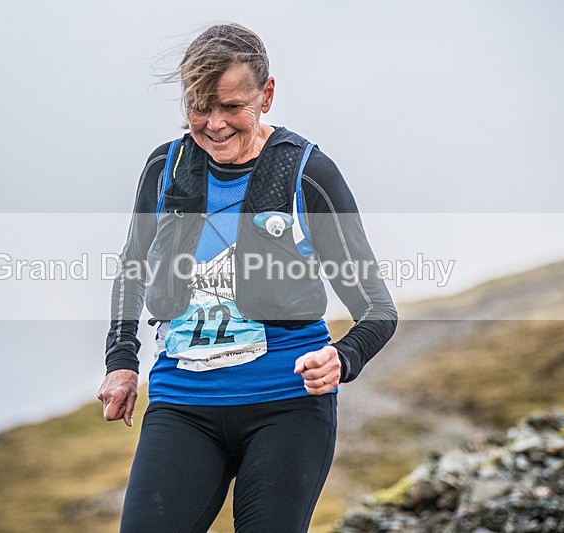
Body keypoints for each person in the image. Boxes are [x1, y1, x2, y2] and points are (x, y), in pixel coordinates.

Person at [97, 22, 398, 533]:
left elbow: (376, 308)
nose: (214, 125)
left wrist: (342, 358)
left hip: (287, 407)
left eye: (232, 107)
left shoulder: (307, 174)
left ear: (268, 94)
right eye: (198, 106)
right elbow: (132, 269)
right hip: (182, 405)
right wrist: (122, 363)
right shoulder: (165, 170)